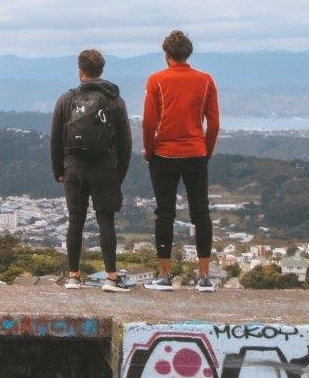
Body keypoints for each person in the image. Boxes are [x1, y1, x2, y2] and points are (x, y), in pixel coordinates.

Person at [142, 30, 219, 292]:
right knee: (201, 213)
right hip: (196, 153)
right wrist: (205, 151)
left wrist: (149, 150)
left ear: (166, 54)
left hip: (163, 154)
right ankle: (204, 276)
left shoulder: (156, 80)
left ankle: (164, 275)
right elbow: (214, 123)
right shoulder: (206, 80)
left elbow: (149, 122)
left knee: (165, 213)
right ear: (188, 53)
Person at [51, 48, 133, 292]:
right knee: (105, 219)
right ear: (102, 71)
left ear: (80, 71)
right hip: (105, 168)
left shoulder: (66, 100)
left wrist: (59, 171)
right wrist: (119, 174)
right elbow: (125, 143)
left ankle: (74, 276)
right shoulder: (115, 100)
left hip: (74, 168)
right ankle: (110, 277)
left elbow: (56, 140)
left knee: (75, 219)